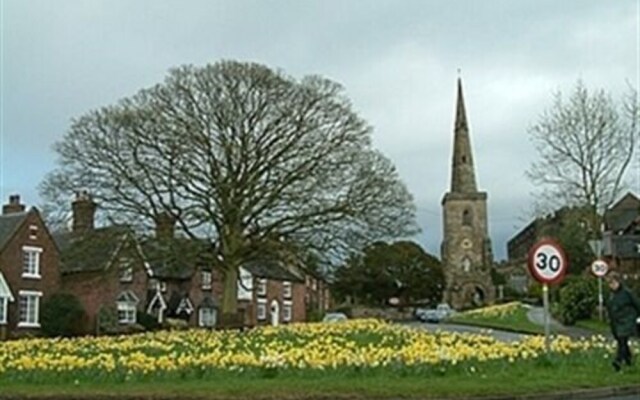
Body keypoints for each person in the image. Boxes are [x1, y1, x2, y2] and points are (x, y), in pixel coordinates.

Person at [605, 271, 640, 371]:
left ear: (618, 282)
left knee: (622, 340)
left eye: (613, 283)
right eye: (610, 283)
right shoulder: (612, 295)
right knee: (622, 341)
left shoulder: (627, 293)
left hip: (627, 320)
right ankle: (628, 360)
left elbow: (637, 304)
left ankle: (618, 361)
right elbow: (610, 308)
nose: (612, 285)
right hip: (616, 322)